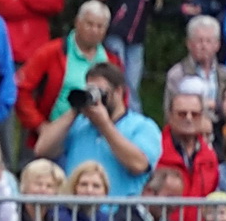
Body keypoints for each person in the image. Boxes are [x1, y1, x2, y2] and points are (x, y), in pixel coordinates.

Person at [33, 62, 162, 198]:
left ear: (118, 92)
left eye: (100, 92)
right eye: (90, 90)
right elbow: (42, 149)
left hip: (120, 214)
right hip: (77, 213)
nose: (96, 98)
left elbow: (139, 165)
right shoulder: (79, 124)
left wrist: (104, 125)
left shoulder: (143, 126)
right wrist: (75, 110)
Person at [91, 0, 175, 113]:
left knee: (133, 82)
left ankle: (133, 120)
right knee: (116, 75)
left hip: (137, 37)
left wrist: (180, 10)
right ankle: (110, 112)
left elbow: (154, 10)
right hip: (118, 30)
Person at [15, 1, 119, 138]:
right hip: (54, 133)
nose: (94, 31)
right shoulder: (51, 52)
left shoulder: (111, 60)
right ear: (77, 22)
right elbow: (22, 87)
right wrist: (39, 125)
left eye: (100, 26)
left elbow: (120, 97)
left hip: (95, 135)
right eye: (89, 24)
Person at [156, 90, 220, 215]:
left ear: (202, 116)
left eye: (195, 114)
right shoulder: (156, 150)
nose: (189, 118)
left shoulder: (210, 156)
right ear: (169, 116)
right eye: (182, 114)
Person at [162, 14, 226, 119]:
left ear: (217, 45)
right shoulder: (177, 75)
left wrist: (216, 106)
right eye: (199, 41)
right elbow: (170, 114)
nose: (204, 46)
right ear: (189, 44)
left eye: (208, 41)